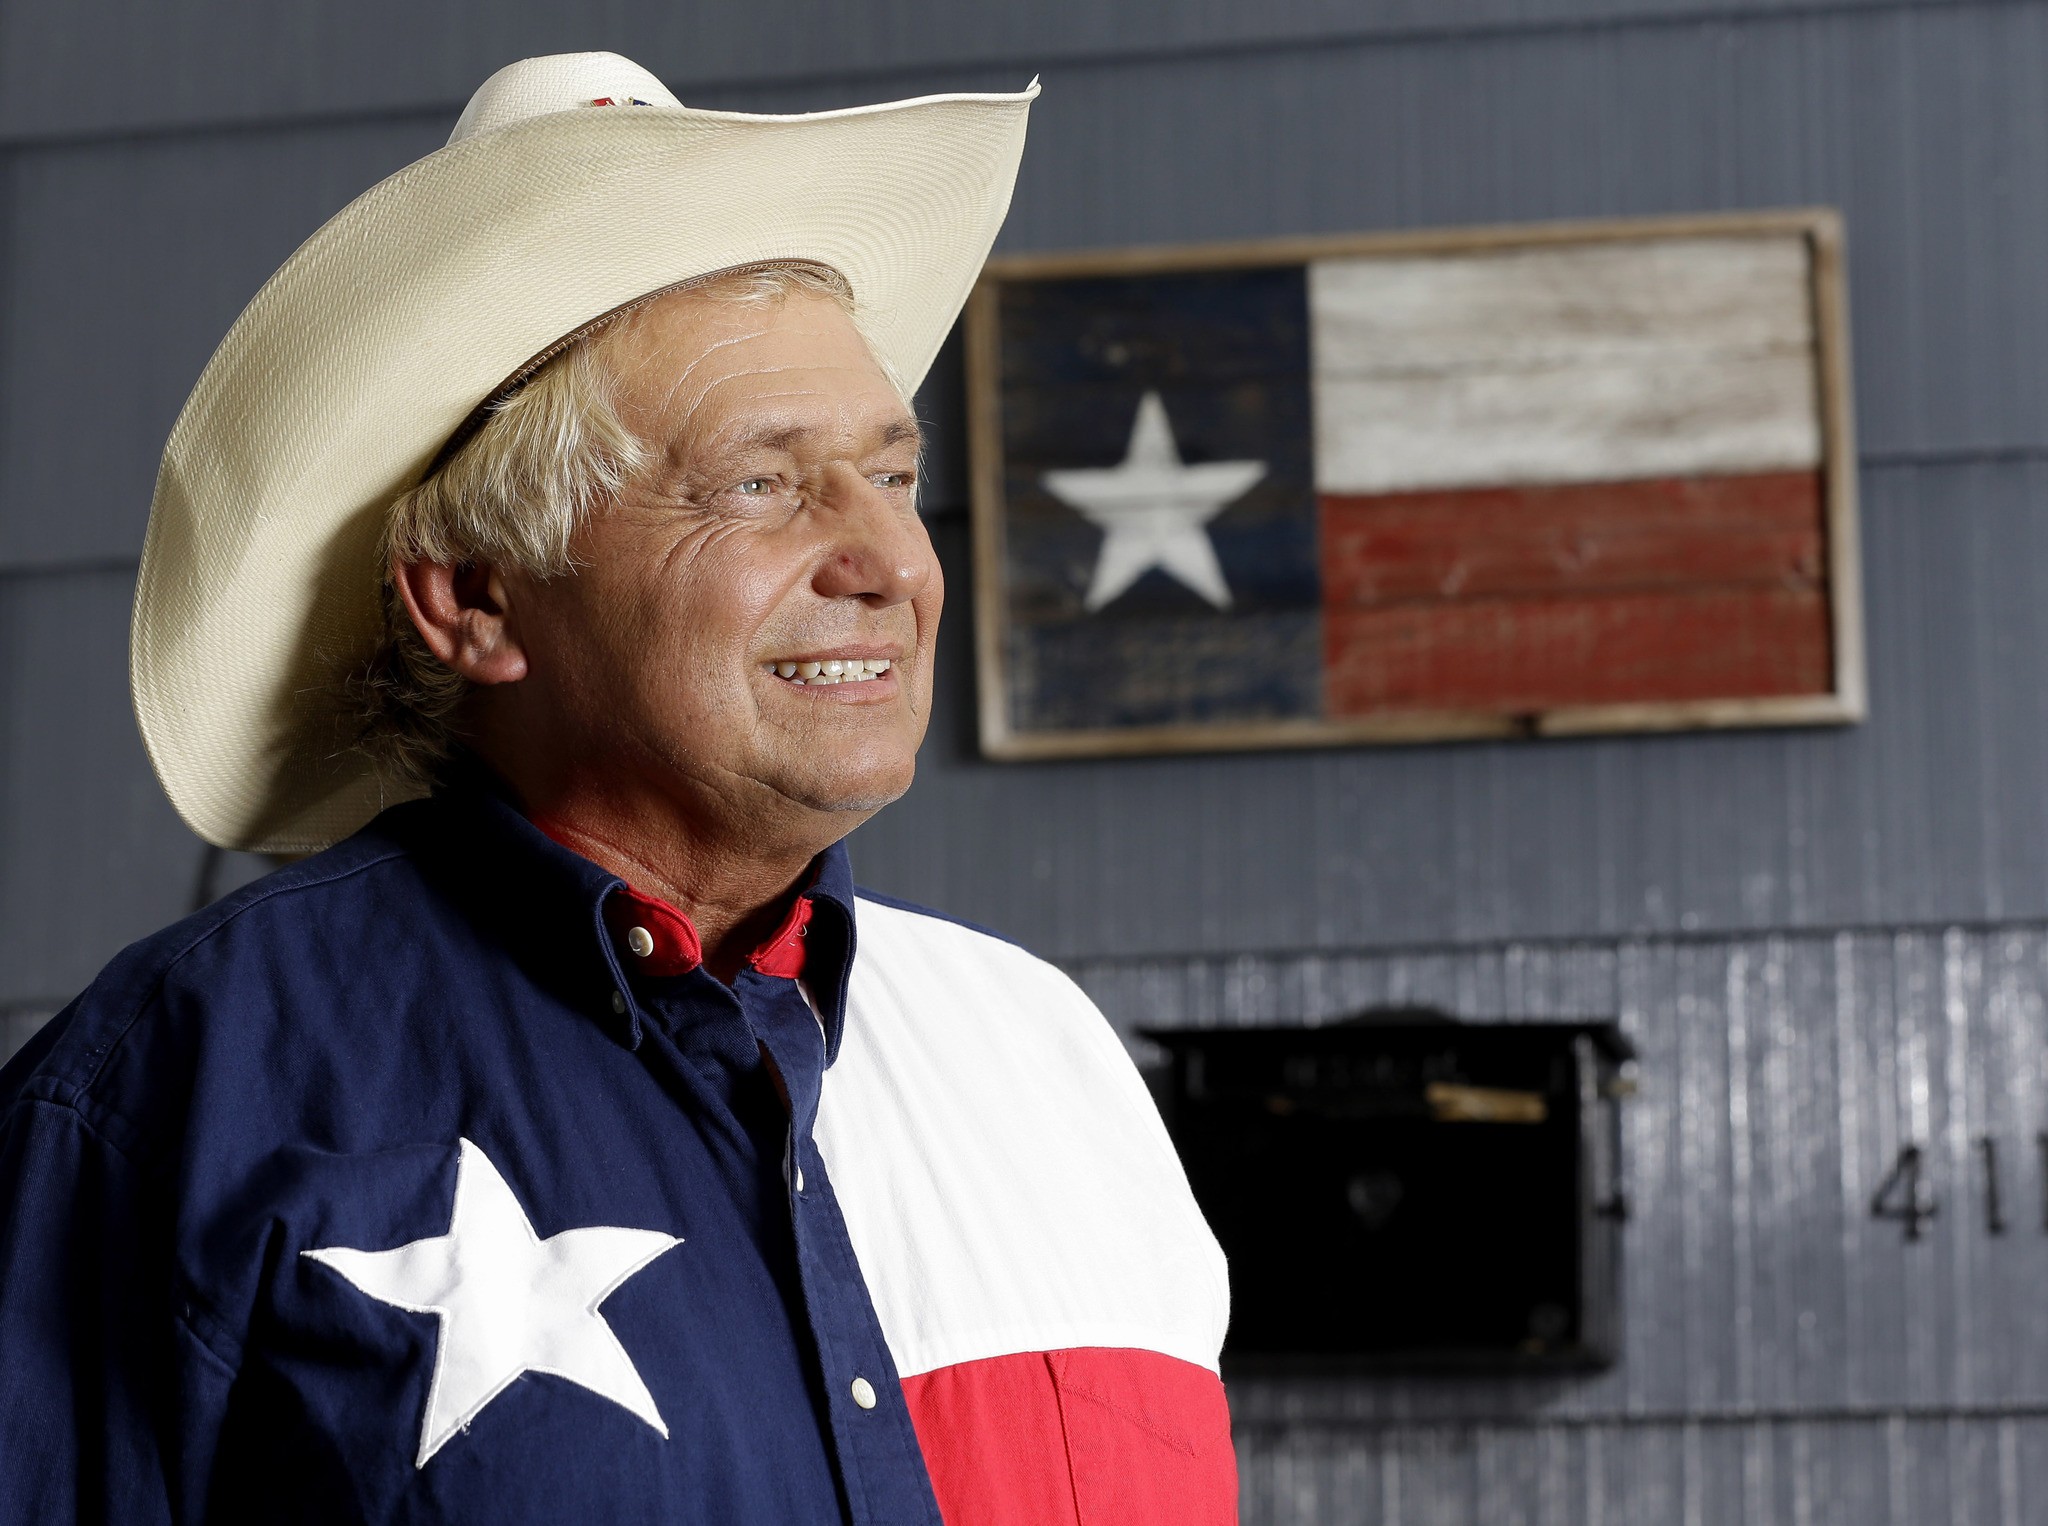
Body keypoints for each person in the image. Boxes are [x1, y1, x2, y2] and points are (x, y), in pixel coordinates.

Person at [0, 52, 1235, 1525]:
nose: (891, 566)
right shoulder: (174, 1094)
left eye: (891, 478)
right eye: (762, 485)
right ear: (473, 597)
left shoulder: (1047, 1060)